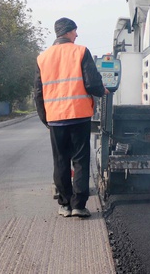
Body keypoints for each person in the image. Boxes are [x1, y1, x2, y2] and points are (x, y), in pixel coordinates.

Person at [34, 18, 108, 218]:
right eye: (75, 31)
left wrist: (46, 119)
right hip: (79, 115)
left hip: (56, 119)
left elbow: (38, 93)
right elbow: (92, 83)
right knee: (81, 161)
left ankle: (64, 204)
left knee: (60, 161)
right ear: (68, 32)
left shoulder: (43, 57)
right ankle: (79, 205)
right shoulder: (81, 51)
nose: (77, 35)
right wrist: (103, 91)